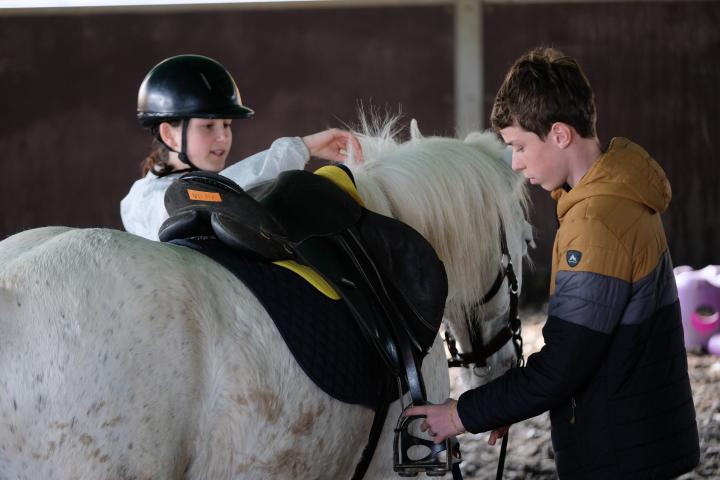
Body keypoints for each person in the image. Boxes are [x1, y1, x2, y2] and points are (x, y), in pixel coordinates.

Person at [406, 47, 700, 479]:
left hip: (618, 454)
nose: (516, 162)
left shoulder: (597, 221)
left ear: (560, 134)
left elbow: (565, 363)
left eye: (520, 146)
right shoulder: (612, 198)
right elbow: (583, 350)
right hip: (635, 441)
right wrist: (503, 404)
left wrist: (458, 414)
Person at [121, 54, 362, 240]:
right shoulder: (146, 201)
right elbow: (218, 194)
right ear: (169, 135)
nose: (223, 137)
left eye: (226, 125)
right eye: (208, 126)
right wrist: (302, 148)